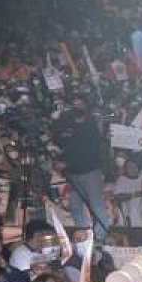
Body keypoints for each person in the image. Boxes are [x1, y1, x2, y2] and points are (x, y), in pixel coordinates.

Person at [51, 94, 110, 238]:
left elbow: (89, 151)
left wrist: (67, 162)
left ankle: (101, 235)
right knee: (75, 206)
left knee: (96, 206)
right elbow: (62, 145)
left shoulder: (91, 125)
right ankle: (83, 234)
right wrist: (59, 160)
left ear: (85, 106)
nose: (77, 107)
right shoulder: (66, 123)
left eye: (80, 104)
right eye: (74, 104)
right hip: (72, 173)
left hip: (90, 172)